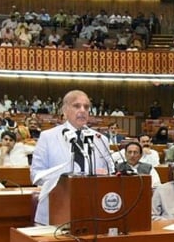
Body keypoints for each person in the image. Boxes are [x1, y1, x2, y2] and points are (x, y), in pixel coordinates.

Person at [31, 90, 114, 225]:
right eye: (77, 106)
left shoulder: (100, 139)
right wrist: (66, 173)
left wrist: (106, 174)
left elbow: (111, 173)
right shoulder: (48, 137)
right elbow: (36, 175)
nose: (82, 110)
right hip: (55, 211)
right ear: (65, 110)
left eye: (86, 107)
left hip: (92, 212)